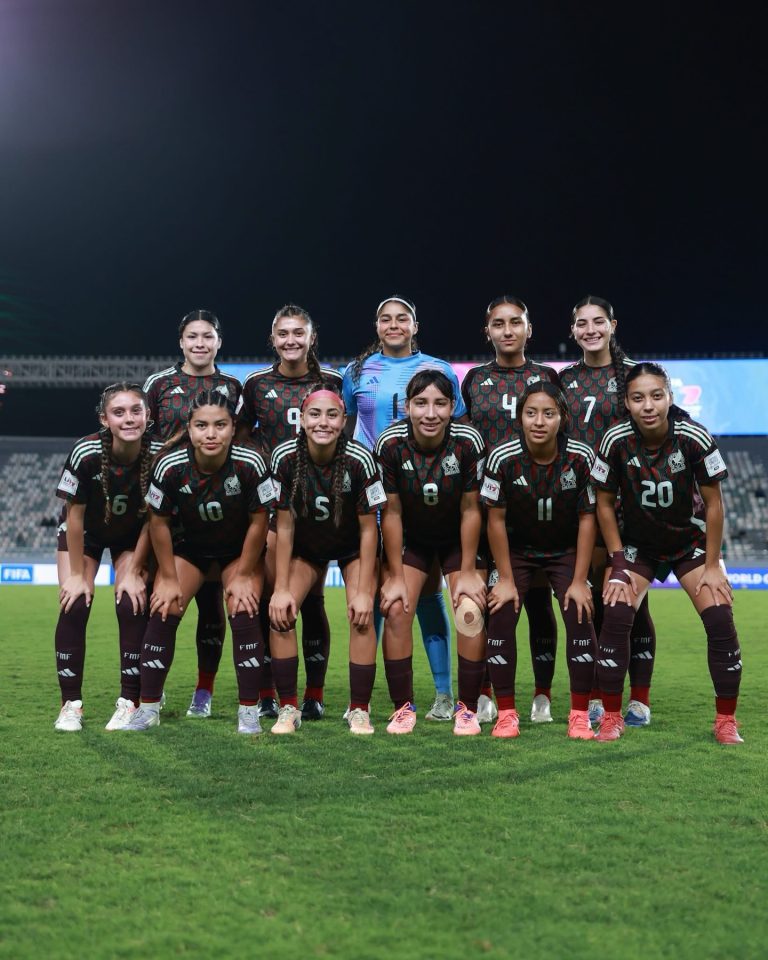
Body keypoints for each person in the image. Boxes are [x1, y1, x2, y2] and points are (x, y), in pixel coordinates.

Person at [590, 362, 742, 743]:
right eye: (638, 398)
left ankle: (726, 721)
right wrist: (618, 562)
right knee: (616, 612)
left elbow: (714, 505)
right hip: (638, 546)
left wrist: (711, 566)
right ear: (626, 402)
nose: (648, 405)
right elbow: (604, 505)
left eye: (656, 396)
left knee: (720, 618)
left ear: (669, 398)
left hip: (689, 544)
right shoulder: (615, 440)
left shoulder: (693, 436)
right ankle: (611, 716)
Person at [343, 296, 466, 720]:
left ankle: (444, 693)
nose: (394, 324)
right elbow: (342, 432)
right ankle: (364, 697)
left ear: (415, 325)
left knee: (428, 595)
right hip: (374, 496)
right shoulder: (356, 372)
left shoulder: (439, 370)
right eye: (385, 319)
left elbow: (456, 432)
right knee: (378, 595)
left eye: (402, 318)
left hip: (424, 498)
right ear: (376, 326)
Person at [123, 390, 274, 733]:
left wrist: (245, 573)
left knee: (243, 604)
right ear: (189, 429)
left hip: (237, 551)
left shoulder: (251, 463)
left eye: (220, 425)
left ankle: (248, 711)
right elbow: (158, 522)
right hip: (190, 549)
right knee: (165, 605)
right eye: (202, 425)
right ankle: (148, 708)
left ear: (232, 428)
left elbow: (259, 520)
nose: (211, 433)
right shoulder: (170, 465)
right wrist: (169, 577)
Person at [237, 304, 343, 721]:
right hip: (273, 503)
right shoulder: (258, 384)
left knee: (313, 598)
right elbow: (243, 436)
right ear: (273, 338)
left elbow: (342, 433)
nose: (291, 340)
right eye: (284, 333)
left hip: (318, 504)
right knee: (270, 596)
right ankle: (269, 692)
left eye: (299, 333)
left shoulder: (331, 381)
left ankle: (313, 693)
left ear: (311, 338)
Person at [461, 295, 561, 724]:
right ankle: (484, 690)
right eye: (498, 323)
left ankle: (542, 694)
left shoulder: (546, 377)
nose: (507, 330)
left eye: (515, 322)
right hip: (488, 507)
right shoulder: (474, 380)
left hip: (538, 507)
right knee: (488, 603)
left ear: (528, 329)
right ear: (488, 331)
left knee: (539, 603)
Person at [481, 381, 598, 739]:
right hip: (517, 552)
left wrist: (579, 580)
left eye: (549, 413)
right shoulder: (502, 458)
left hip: (565, 552)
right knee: (500, 612)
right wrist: (504, 577)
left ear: (562, 417)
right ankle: (507, 713)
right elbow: (495, 520)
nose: (539, 421)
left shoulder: (580, 457)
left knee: (580, 611)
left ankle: (579, 714)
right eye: (531, 413)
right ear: (520, 418)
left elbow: (587, 519)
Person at [560, 294, 657, 727]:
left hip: (628, 506)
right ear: (573, 330)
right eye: (582, 323)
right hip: (581, 505)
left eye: (598, 321)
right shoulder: (563, 380)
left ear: (613, 325)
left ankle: (639, 699)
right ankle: (598, 695)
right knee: (594, 603)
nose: (590, 330)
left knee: (634, 604)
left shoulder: (634, 374)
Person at [268, 387, 386, 734]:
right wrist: (280, 587)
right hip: (305, 547)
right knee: (282, 613)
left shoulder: (360, 459)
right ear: (302, 420)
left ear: (344, 421)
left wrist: (364, 590)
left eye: (332, 415)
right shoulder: (284, 458)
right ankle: (288, 708)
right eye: (315, 415)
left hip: (351, 547)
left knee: (362, 616)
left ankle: (359, 709)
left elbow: (369, 530)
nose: (323, 422)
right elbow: (284, 526)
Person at [143, 309, 242, 719]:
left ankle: (204, 691)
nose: (200, 343)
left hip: (217, 509)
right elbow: (143, 441)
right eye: (192, 337)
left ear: (219, 341)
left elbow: (240, 440)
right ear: (181, 342)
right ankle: (152, 688)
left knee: (211, 605)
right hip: (167, 504)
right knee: (160, 599)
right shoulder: (159, 384)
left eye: (208, 336)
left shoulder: (234, 387)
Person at [377, 370, 487, 735]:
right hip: (415, 540)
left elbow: (472, 509)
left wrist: (469, 570)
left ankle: (467, 710)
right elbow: (390, 512)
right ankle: (402, 709)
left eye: (440, 403)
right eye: (421, 403)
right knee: (395, 608)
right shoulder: (391, 444)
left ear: (452, 406)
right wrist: (394, 576)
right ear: (407, 406)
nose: (430, 413)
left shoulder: (468, 441)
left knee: (469, 610)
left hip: (457, 540)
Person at [53, 382, 154, 731]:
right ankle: (70, 705)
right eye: (119, 412)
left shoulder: (157, 454)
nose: (129, 419)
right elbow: (74, 517)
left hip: (134, 536)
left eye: (136, 411)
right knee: (74, 601)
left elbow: (155, 518)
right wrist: (80, 576)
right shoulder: (86, 452)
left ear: (148, 415)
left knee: (131, 601)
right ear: (104, 419)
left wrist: (134, 568)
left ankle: (131, 700)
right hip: (87, 534)